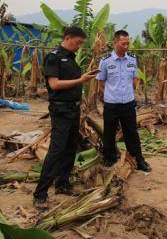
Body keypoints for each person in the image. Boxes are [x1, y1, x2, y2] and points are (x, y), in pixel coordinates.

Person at [33, 27, 98, 209]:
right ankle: (40, 194)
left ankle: (62, 184)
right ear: (67, 38)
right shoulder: (54, 57)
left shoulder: (70, 58)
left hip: (74, 109)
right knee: (56, 150)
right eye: (77, 42)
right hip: (61, 111)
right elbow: (54, 84)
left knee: (70, 148)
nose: (79, 47)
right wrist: (81, 80)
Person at [96, 30, 151, 172]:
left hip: (128, 103)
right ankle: (109, 158)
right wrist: (111, 93)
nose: (126, 47)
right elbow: (101, 81)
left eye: (128, 43)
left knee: (132, 133)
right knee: (109, 133)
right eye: (123, 44)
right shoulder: (106, 61)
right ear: (115, 43)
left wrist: (128, 91)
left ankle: (138, 160)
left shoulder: (132, 60)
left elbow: (135, 78)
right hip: (111, 104)